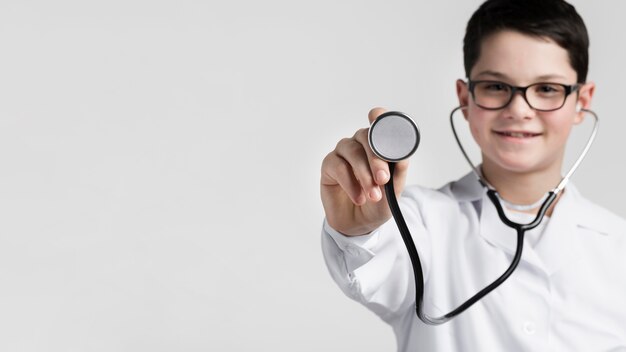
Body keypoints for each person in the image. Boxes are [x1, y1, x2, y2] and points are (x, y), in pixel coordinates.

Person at [319, 0, 626, 351]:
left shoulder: (619, 250)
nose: (519, 110)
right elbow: (373, 259)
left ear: (582, 102)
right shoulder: (418, 225)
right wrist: (359, 227)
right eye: (496, 87)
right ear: (465, 98)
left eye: (547, 89)